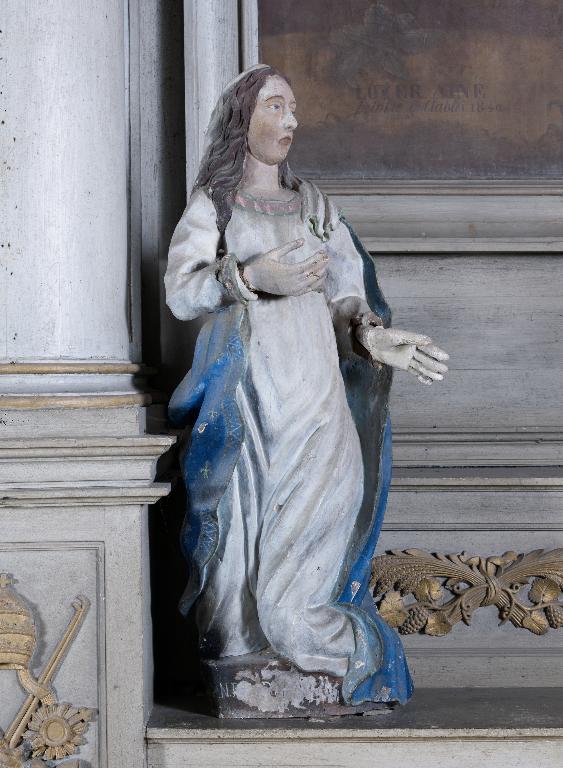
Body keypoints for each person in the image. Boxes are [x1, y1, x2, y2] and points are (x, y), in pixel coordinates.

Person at [165, 64, 448, 706]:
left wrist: (371, 335)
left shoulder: (315, 208)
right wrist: (249, 276)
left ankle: (328, 655)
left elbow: (348, 294)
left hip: (318, 403)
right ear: (242, 118)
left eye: (293, 108)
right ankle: (248, 667)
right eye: (275, 106)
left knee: (310, 555)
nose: (291, 120)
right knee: (238, 561)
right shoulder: (215, 207)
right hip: (250, 407)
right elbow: (182, 293)